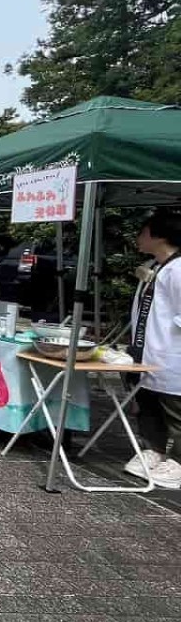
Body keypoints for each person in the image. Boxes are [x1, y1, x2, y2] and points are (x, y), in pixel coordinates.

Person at [124, 210, 181, 489]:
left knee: (175, 410)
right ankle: (154, 449)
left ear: (159, 235)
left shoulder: (179, 269)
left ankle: (178, 461)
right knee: (147, 404)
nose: (138, 238)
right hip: (146, 352)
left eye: (143, 232)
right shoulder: (156, 266)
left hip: (171, 354)